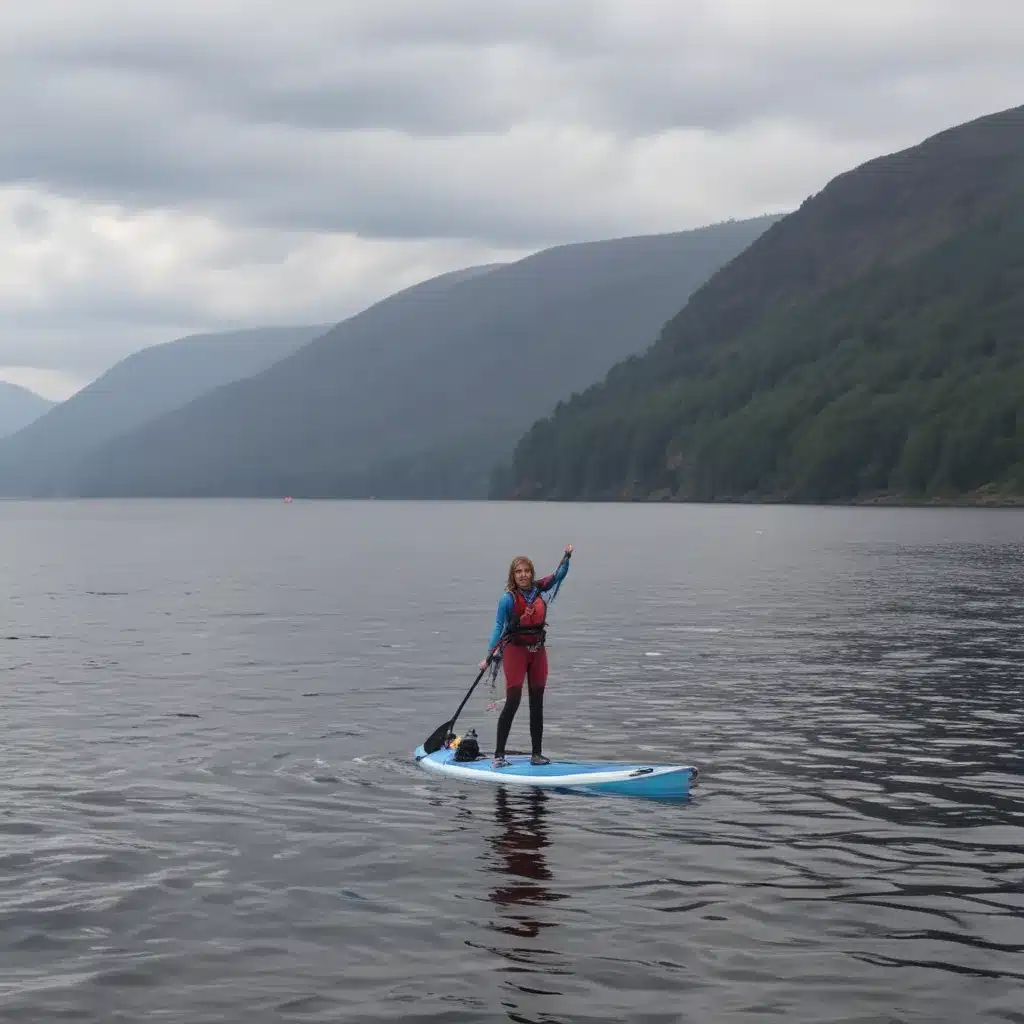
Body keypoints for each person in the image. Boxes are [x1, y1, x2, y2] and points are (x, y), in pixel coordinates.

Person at [480, 545, 573, 768]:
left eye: (526, 571)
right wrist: (489, 655)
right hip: (515, 652)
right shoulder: (508, 599)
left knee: (537, 703)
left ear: (532, 573)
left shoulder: (540, 589)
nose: (523, 575)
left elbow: (558, 574)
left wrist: (567, 556)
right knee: (512, 702)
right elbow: (498, 627)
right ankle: (499, 756)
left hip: (537, 652)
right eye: (518, 572)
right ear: (513, 576)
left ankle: (537, 754)